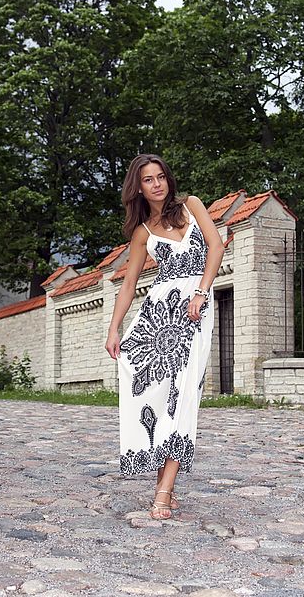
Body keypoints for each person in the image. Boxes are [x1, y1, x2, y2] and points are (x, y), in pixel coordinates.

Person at [105, 154, 225, 520]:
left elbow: (217, 247)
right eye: (148, 180)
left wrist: (202, 292)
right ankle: (164, 486)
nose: (157, 184)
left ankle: (164, 490)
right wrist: (114, 328)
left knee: (185, 394)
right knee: (157, 398)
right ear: (138, 187)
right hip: (158, 317)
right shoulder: (143, 231)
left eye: (160, 177)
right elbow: (128, 284)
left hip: (195, 311)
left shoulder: (192, 206)